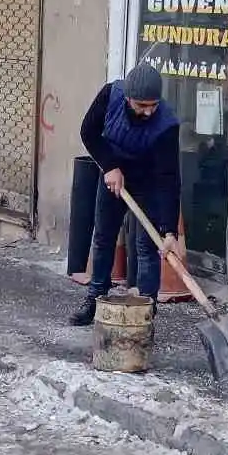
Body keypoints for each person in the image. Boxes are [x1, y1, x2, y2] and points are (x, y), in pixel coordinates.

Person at [68, 64, 184, 327]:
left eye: (153, 105)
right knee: (104, 237)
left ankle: (146, 312)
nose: (148, 111)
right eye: (142, 105)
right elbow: (88, 132)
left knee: (147, 247)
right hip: (114, 177)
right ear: (128, 98)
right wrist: (109, 166)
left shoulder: (166, 124)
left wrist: (168, 231)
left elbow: (169, 178)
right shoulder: (111, 96)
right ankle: (95, 299)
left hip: (149, 182)